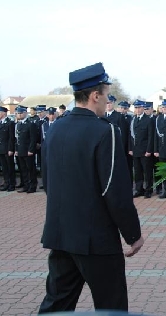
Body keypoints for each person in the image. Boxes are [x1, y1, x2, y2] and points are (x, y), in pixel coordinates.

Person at [38, 62, 144, 313]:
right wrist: (133, 234)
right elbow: (114, 191)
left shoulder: (55, 128)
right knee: (112, 306)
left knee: (57, 304)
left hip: (61, 234)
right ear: (95, 96)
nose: (107, 101)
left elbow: (48, 180)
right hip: (96, 240)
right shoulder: (105, 131)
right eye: (106, 95)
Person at [129, 99, 154, 199]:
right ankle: (139, 190)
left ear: (143, 108)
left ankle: (148, 190)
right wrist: (130, 148)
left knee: (147, 172)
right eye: (136, 108)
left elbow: (150, 136)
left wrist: (149, 150)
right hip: (135, 150)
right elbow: (130, 136)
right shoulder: (133, 119)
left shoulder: (148, 120)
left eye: (139, 107)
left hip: (144, 151)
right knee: (138, 171)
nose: (137, 110)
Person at [14, 106, 38, 193]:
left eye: (20, 113)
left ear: (25, 113)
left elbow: (33, 139)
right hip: (20, 150)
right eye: (18, 113)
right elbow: (16, 139)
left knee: (30, 169)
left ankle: (32, 186)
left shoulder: (30, 124)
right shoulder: (18, 125)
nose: (19, 115)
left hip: (28, 151)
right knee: (23, 169)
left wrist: (31, 150)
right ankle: (26, 185)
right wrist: (16, 150)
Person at [0, 106, 16, 191]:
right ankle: (6, 183)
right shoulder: (1, 123)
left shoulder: (10, 123)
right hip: (1, 149)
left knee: (10, 167)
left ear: (3, 113)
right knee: (4, 168)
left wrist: (10, 149)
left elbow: (11, 137)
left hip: (7, 148)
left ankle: (12, 184)